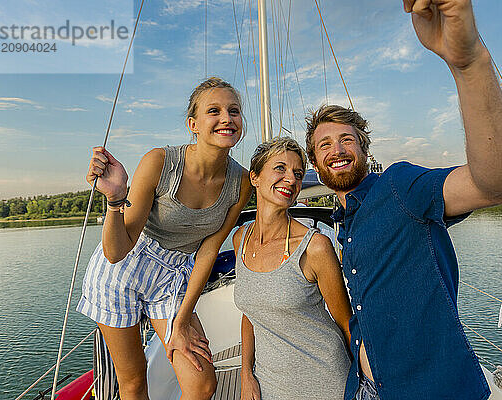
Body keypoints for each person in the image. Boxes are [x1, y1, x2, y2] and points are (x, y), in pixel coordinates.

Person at [304, 1, 502, 399]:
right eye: (324, 145)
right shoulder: (344, 221)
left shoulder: (399, 186)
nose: (336, 149)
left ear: (364, 150)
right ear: (315, 161)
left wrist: (469, 64)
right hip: (370, 387)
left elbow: (499, 183)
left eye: (346, 139)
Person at [77, 77, 252, 400]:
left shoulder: (240, 182)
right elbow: (116, 252)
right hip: (122, 270)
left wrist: (182, 321)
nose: (227, 118)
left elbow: (209, 250)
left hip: (173, 276)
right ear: (193, 124)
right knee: (133, 383)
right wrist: (115, 199)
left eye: (234, 110)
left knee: (201, 384)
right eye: (214, 111)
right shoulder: (160, 162)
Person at [232, 137, 352, 400]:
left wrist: (365, 381)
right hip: (269, 381)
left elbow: (346, 323)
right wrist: (246, 375)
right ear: (255, 177)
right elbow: (250, 313)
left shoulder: (315, 247)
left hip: (324, 379)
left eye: (298, 174)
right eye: (280, 169)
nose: (291, 179)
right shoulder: (240, 239)